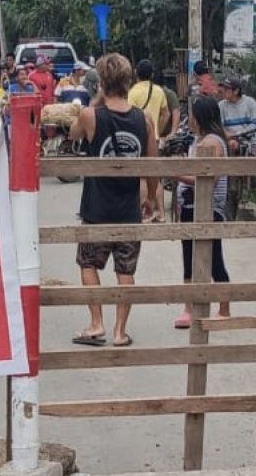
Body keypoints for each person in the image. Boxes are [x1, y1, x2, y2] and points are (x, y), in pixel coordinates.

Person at [69, 53, 160, 348]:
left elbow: (73, 135)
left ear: (102, 83)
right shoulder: (143, 119)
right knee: (126, 270)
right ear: (129, 80)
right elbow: (152, 164)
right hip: (128, 208)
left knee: (88, 263)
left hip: (96, 208)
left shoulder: (90, 116)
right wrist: (152, 201)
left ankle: (97, 324)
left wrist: (96, 99)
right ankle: (121, 331)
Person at [173, 96, 231, 328]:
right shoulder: (200, 140)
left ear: (200, 117)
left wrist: (175, 174)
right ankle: (189, 307)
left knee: (214, 258)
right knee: (189, 258)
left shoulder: (211, 142)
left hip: (207, 207)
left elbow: (209, 179)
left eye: (193, 115)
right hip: (190, 206)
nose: (191, 120)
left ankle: (224, 309)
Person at [219, 77, 256, 209]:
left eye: (227, 89)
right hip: (231, 140)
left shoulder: (250, 102)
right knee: (228, 155)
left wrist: (239, 133)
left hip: (250, 139)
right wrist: (229, 136)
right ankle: (230, 189)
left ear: (236, 90)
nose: (224, 91)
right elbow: (220, 125)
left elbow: (255, 123)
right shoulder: (221, 106)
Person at [128, 59, 169, 221]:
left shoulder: (133, 92)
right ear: (152, 74)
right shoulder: (159, 91)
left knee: (142, 176)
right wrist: (157, 128)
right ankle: (162, 213)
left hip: (138, 138)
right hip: (156, 138)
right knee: (155, 175)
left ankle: (144, 211)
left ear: (136, 74)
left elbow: (129, 114)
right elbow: (166, 113)